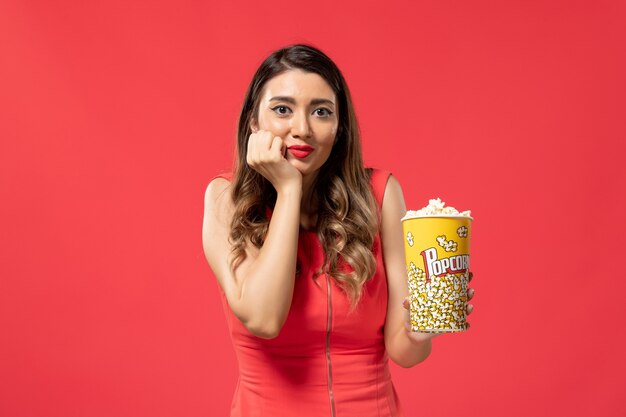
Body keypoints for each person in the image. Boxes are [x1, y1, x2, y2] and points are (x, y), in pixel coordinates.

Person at [202, 43, 475, 417]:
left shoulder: (380, 194)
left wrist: (420, 330)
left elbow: (404, 352)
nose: (302, 129)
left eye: (321, 112)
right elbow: (263, 319)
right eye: (282, 109)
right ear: (253, 121)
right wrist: (288, 189)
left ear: (340, 126)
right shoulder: (225, 198)